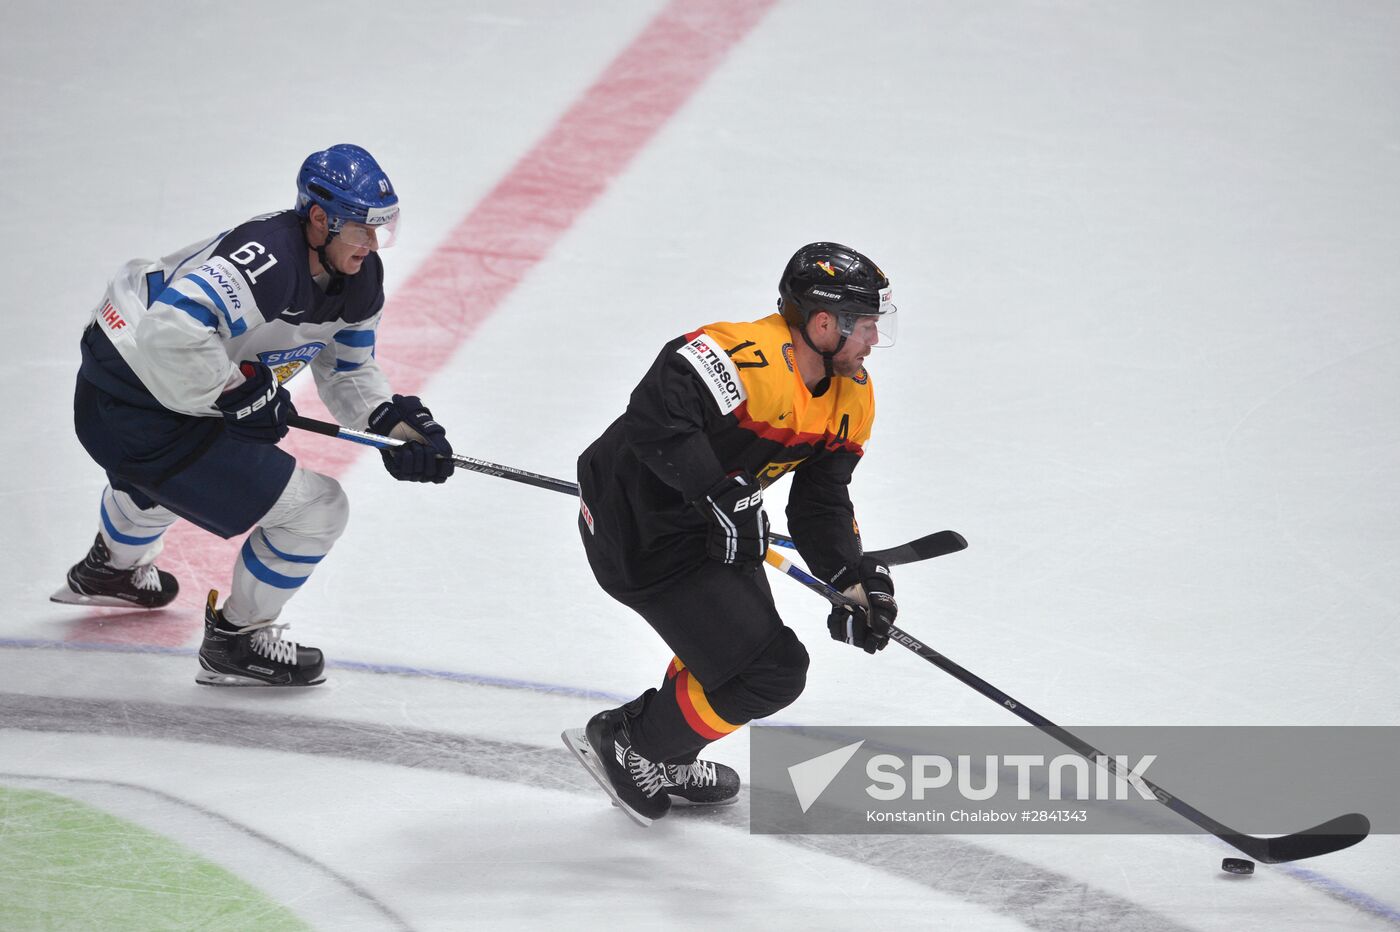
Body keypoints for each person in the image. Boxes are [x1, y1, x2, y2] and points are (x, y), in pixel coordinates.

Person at [52, 144, 456, 687]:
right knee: (317, 510)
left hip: (129, 396)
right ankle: (236, 639)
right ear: (319, 218)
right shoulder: (268, 259)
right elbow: (170, 330)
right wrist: (234, 391)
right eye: (361, 229)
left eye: (381, 229)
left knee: (163, 482)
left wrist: (392, 425)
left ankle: (110, 567)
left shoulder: (359, 278)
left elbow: (348, 369)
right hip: (135, 400)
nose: (372, 243)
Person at [562, 242, 900, 824]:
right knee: (769, 671)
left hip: (716, 525)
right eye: (867, 325)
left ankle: (666, 749)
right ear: (824, 322)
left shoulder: (853, 397)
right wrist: (720, 494)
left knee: (753, 659)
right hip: (634, 525)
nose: (875, 340)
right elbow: (654, 418)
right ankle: (632, 743)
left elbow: (821, 503)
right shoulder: (742, 355)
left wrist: (851, 576)